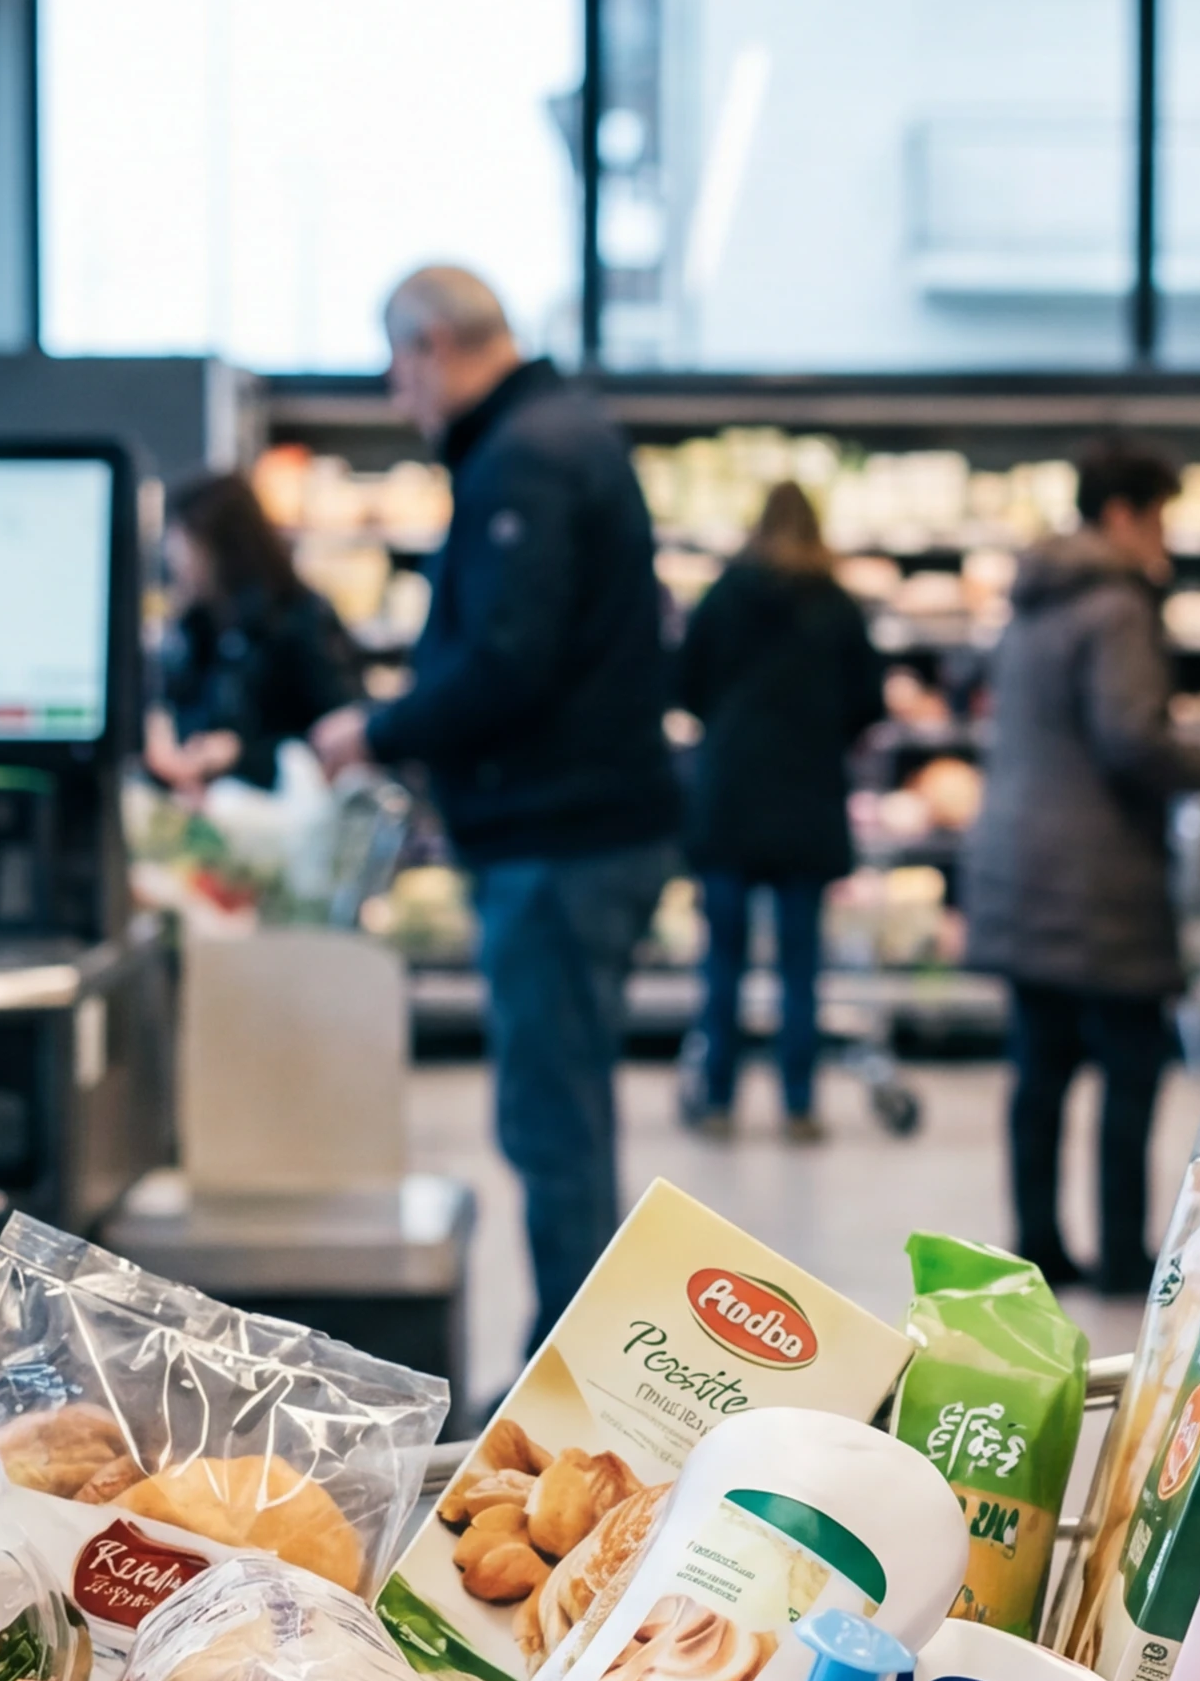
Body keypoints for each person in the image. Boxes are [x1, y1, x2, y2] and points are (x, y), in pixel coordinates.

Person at [311, 265, 676, 1319]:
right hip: (579, 829)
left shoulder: (526, 457)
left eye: (396, 366)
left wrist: (376, 730)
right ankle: (572, 1361)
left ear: (433, 346)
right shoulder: (551, 437)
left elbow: (510, 660)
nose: (396, 395)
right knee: (562, 1114)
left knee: (549, 1122)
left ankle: (567, 1395)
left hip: (558, 839)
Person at [960, 437, 1200, 1294]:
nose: (1165, 539)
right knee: (1131, 1066)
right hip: (1099, 875)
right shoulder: (1118, 607)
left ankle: (1039, 1242)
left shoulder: (1034, 599)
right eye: (1160, 518)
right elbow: (1129, 736)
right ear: (1122, 514)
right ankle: (1123, 1256)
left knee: (1038, 1072)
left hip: (1018, 861)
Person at [672, 479, 885, 1140]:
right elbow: (867, 705)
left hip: (730, 797)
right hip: (806, 799)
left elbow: (685, 684)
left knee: (724, 963)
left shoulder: (725, 595)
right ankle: (797, 1104)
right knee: (800, 967)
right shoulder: (837, 606)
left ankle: (717, 1100)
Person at [145, 472, 361, 801]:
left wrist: (240, 755)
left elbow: (339, 732)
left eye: (184, 542)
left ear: (219, 547)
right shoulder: (198, 626)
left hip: (282, 820)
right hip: (209, 816)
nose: (173, 559)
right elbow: (182, 708)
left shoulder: (298, 620)